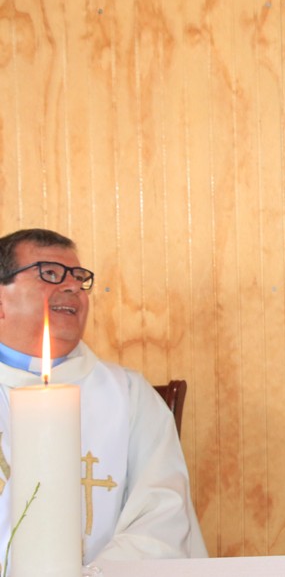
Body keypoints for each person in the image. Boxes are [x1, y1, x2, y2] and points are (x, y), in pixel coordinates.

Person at [0, 228, 207, 563]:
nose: (72, 287)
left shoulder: (128, 395)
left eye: (80, 278)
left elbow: (162, 518)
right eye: (50, 274)